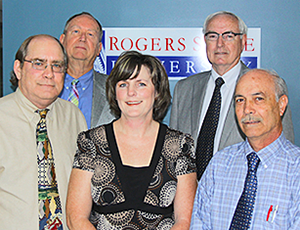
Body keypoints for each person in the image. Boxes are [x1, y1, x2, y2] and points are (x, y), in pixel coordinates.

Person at [66, 50, 197, 230]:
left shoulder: (180, 145)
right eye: (123, 84)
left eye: (141, 84)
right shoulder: (90, 143)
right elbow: (76, 218)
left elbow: (185, 221)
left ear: (157, 91)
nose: (131, 92)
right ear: (114, 92)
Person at [169, 11, 294, 180]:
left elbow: (283, 153)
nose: (220, 44)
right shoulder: (184, 89)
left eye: (229, 36)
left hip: (241, 198)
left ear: (243, 41)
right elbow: (174, 154)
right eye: (213, 36)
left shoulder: (268, 87)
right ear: (205, 41)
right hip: (190, 199)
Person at [190, 69, 300, 229]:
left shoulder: (296, 170)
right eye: (240, 100)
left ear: (281, 105)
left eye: (258, 99)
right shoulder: (219, 164)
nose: (247, 109)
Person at [0, 34, 87, 229]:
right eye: (39, 63)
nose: (49, 73)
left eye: (57, 65)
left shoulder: (73, 117)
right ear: (18, 69)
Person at [59, 12, 115, 129]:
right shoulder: (42, 83)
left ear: (99, 48)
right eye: (76, 32)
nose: (82, 38)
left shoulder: (115, 89)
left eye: (90, 34)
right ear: (62, 40)